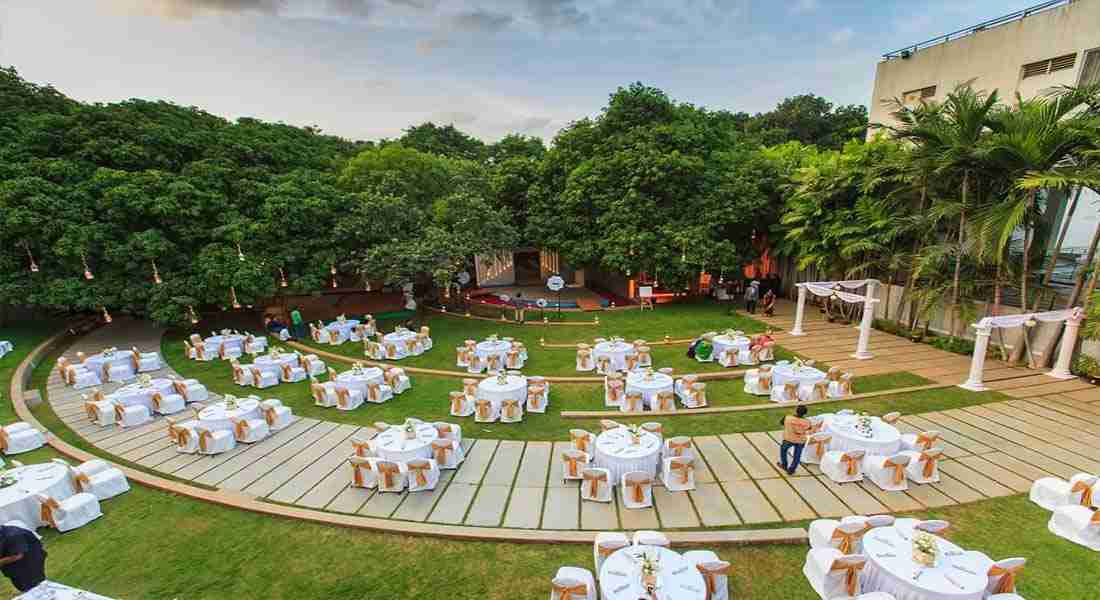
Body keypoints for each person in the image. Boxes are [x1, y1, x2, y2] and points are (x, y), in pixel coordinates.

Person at [0, 524, 47, 592]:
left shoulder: (13, 535)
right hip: (13, 563)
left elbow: (18, 555)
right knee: (21, 585)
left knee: (34, 587)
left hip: (29, 562)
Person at [778, 405, 811, 475]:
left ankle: (784, 464)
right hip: (800, 441)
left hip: (788, 438)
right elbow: (809, 428)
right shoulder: (807, 422)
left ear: (796, 411)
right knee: (797, 455)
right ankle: (791, 470)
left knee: (783, 450)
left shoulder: (787, 417)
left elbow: (781, 423)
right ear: (805, 413)